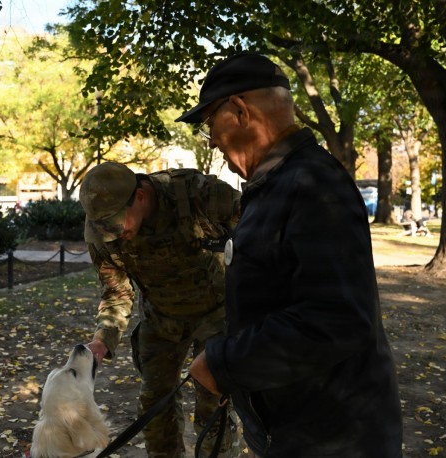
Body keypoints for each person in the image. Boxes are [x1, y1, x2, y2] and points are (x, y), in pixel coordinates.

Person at [177, 53, 403, 457]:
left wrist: (227, 365)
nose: (210, 139)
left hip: (334, 440)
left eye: (209, 123)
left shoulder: (313, 184)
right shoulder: (275, 185)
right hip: (294, 428)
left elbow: (335, 320)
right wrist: (245, 378)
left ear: (241, 110)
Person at [79, 161, 242, 457]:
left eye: (116, 223)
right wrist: (103, 340)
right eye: (104, 227)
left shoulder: (198, 196)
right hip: (161, 320)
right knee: (155, 411)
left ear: (140, 196)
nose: (112, 233)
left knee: (214, 409)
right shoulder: (104, 233)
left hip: (218, 317)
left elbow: (260, 235)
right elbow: (116, 290)